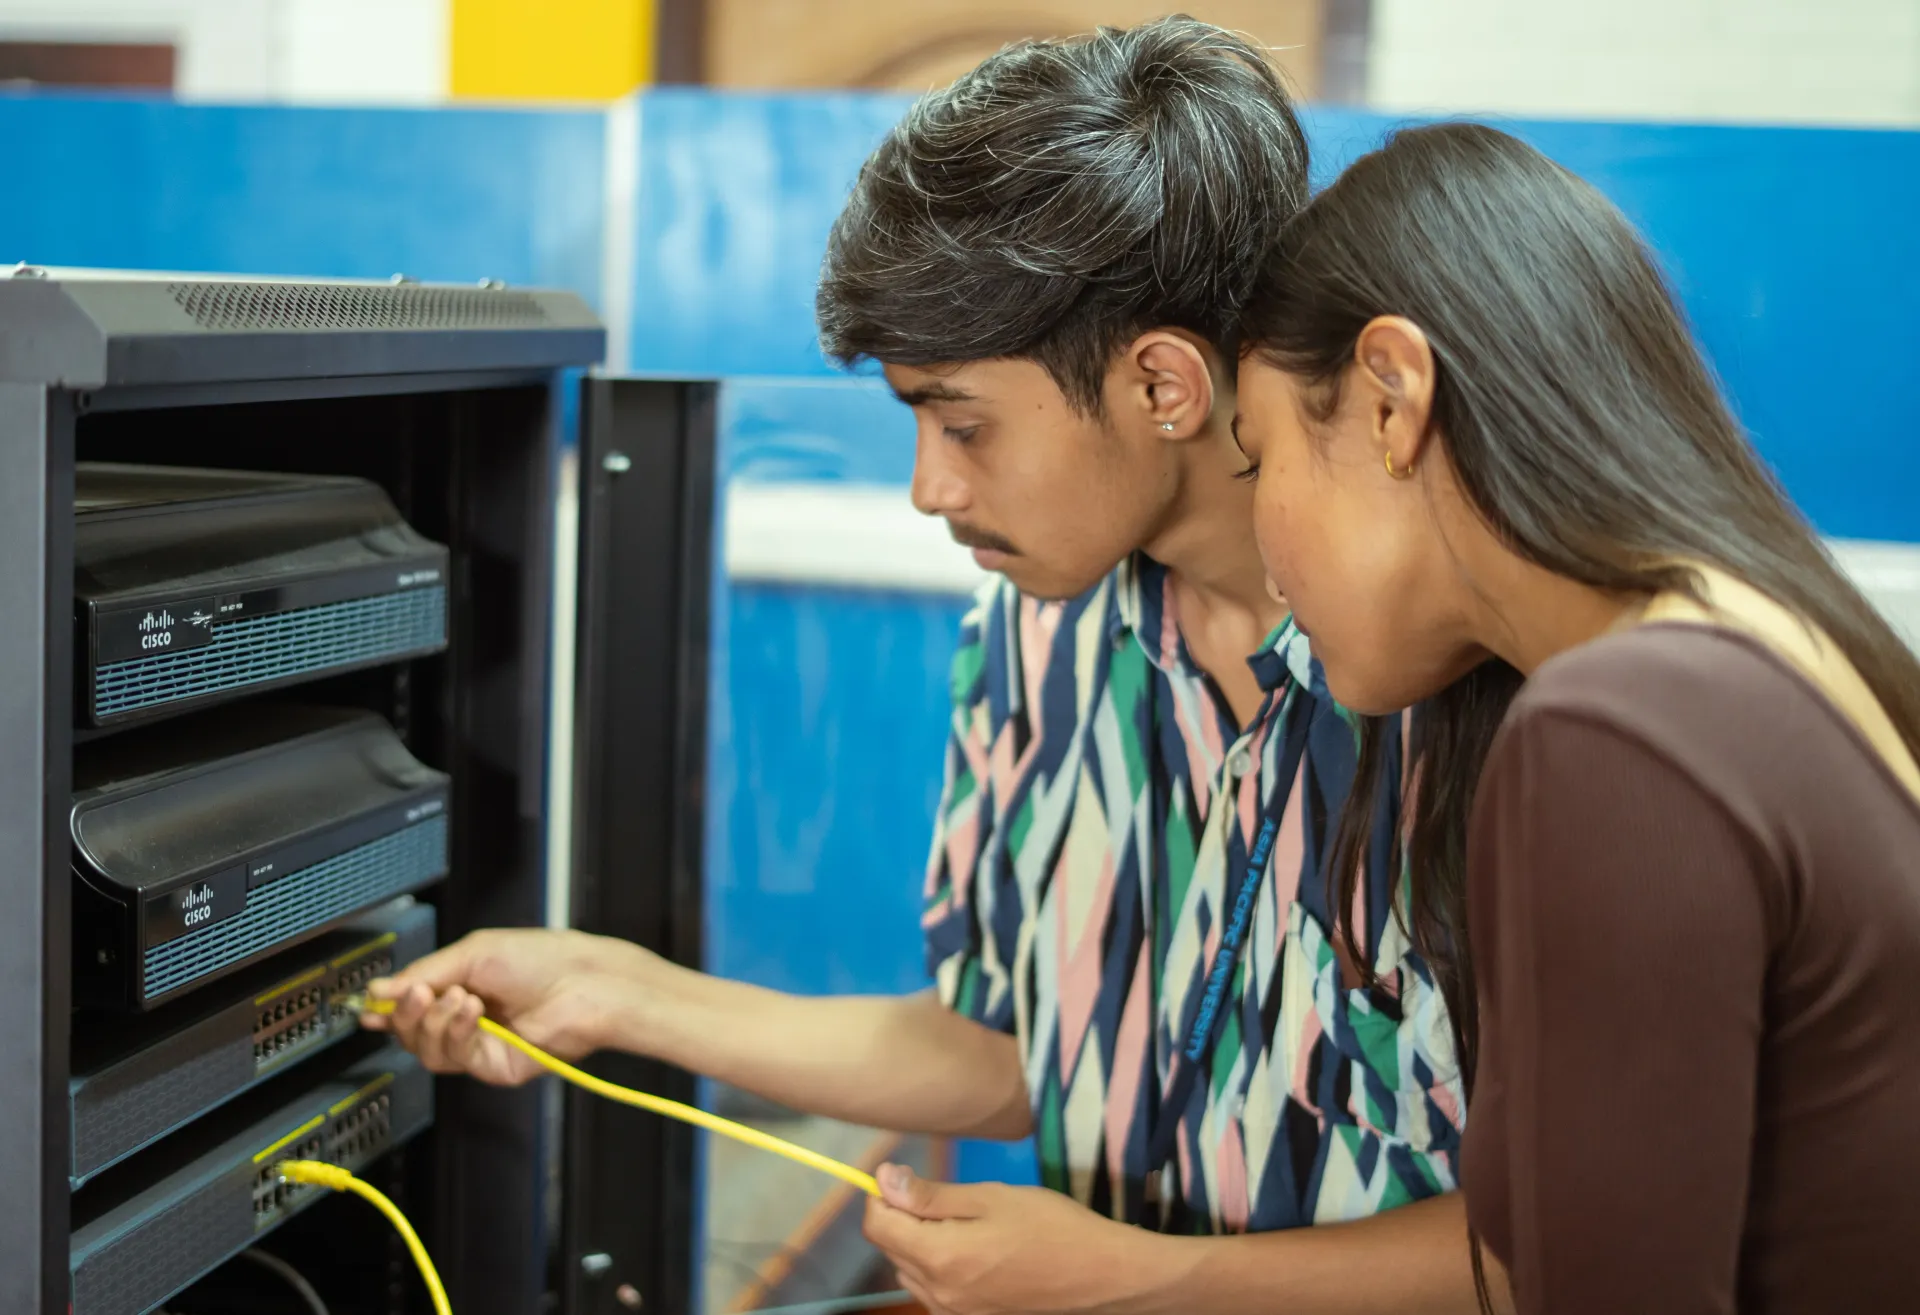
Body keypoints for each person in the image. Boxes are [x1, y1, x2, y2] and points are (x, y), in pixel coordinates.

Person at [368, 20, 1489, 1314]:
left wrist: (1154, 1279)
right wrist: (613, 988)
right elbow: (1001, 1050)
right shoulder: (1039, 628)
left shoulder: (1466, 689)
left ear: (1165, 384)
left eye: (964, 423)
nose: (928, 489)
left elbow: (1565, 1242)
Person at [1230, 120, 1920, 1314]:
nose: (1265, 552)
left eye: (1260, 457)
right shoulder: (1770, 652)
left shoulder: (1617, 732)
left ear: (1391, 399)